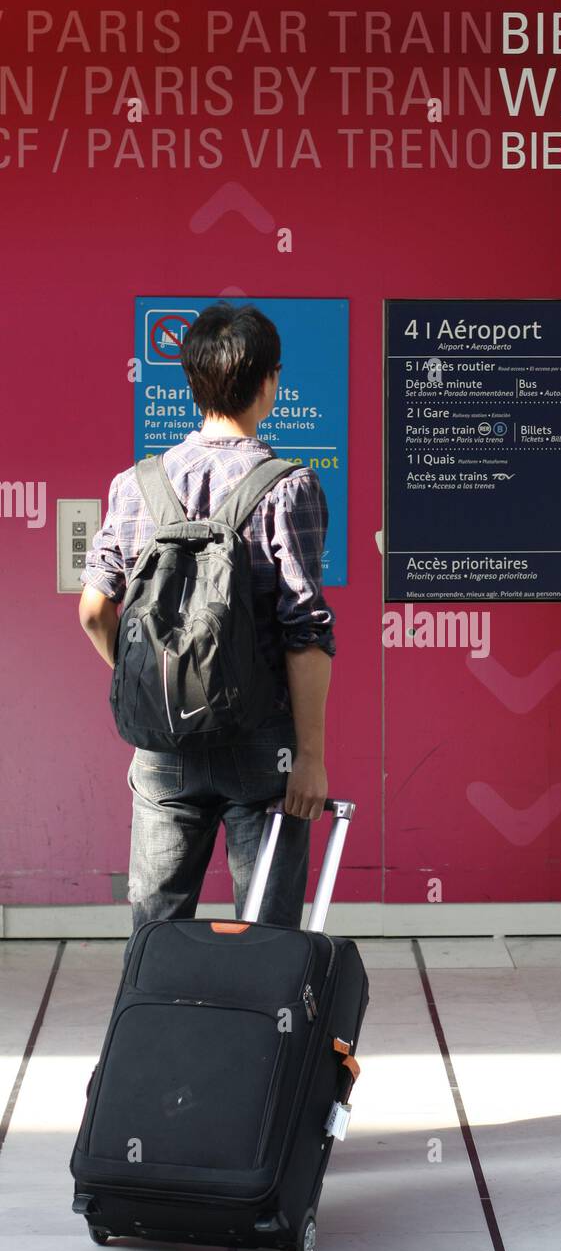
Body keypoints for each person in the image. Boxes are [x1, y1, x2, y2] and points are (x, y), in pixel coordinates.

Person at [78, 301, 335, 956]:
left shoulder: (135, 486)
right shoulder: (287, 487)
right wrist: (309, 758)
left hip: (166, 749)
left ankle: (155, 1051)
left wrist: (152, 683)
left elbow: (92, 608)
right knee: (265, 943)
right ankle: (254, 1057)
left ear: (189, 383)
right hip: (261, 744)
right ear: (269, 384)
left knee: (157, 940)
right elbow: (304, 629)